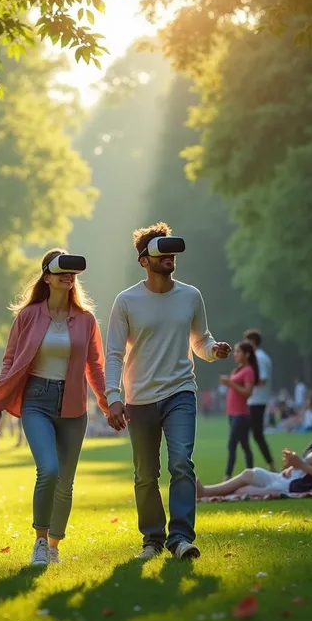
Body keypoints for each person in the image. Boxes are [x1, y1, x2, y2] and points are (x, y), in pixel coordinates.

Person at [105, 223, 231, 561]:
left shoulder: (190, 295)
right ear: (144, 261)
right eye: (162, 254)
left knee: (181, 463)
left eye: (172, 254)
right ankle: (152, 539)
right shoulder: (126, 301)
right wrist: (113, 397)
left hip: (180, 391)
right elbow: (114, 353)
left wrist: (212, 349)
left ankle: (180, 538)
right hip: (140, 398)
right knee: (146, 474)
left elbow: (200, 340)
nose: (170, 258)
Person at [0, 249, 108, 566]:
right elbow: (9, 361)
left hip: (73, 404)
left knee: (65, 481)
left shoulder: (86, 320)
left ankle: (54, 545)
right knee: (49, 470)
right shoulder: (28, 316)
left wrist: (109, 405)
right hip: (36, 400)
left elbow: (95, 367)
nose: (68, 277)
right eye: (61, 272)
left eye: (73, 274)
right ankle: (39, 541)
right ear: (47, 276)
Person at [197, 407, 312, 497]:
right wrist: (291, 465)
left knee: (242, 490)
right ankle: (205, 491)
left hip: (292, 487)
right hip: (284, 479)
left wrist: (300, 464)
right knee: (250, 473)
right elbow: (301, 465)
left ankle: (205, 493)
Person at [219, 341, 257, 480]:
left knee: (232, 444)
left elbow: (248, 392)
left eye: (238, 351)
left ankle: (227, 476)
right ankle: (251, 474)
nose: (234, 354)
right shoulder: (237, 370)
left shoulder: (248, 371)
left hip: (241, 415)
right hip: (233, 414)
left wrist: (229, 383)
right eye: (234, 352)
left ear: (246, 354)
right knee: (245, 445)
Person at [243, 329, 276, 472]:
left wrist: (243, 385)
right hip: (255, 400)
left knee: (255, 434)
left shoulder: (259, 358)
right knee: (252, 434)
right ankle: (266, 465)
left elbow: (262, 379)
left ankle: (268, 465)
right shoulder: (260, 357)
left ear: (252, 342)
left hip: (257, 400)